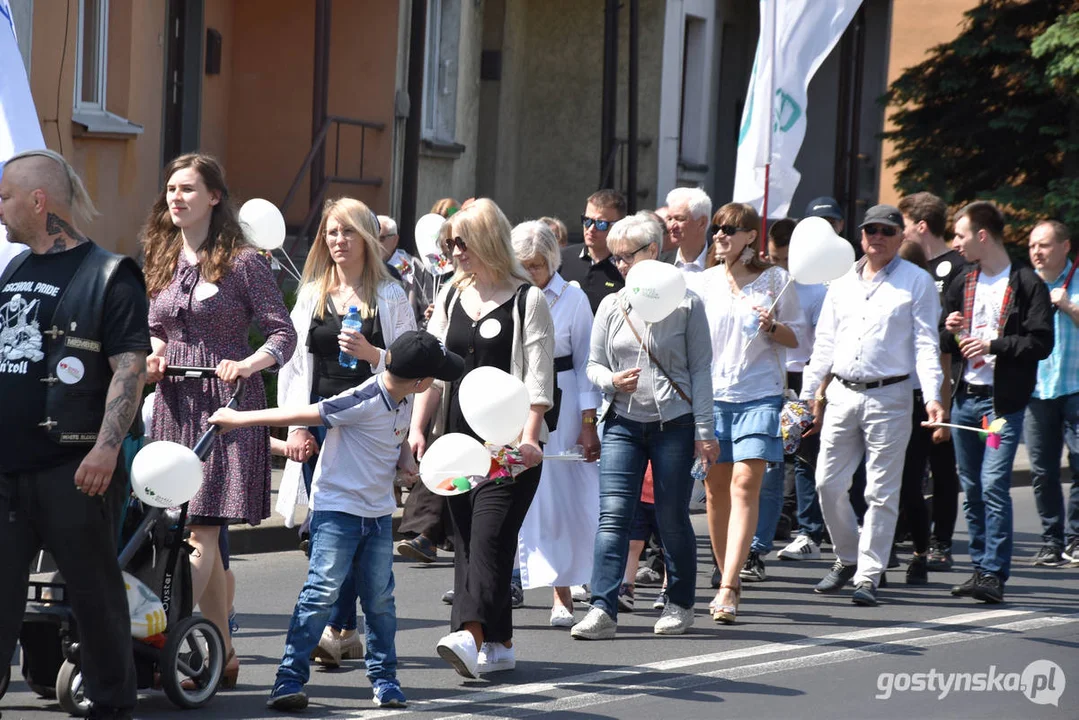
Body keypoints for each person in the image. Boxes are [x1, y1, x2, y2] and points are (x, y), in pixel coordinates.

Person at [213, 331, 463, 710]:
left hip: (377, 516)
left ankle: (385, 681)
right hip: (337, 514)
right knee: (318, 597)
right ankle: (287, 680)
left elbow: (391, 437)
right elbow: (302, 414)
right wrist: (238, 419)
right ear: (420, 382)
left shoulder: (401, 394)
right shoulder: (362, 400)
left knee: (380, 602)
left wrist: (405, 460)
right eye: (435, 376)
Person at [0, 149, 149, 719]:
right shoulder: (13, 270)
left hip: (73, 468)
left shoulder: (110, 274)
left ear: (39, 201)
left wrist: (107, 448)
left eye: (7, 196)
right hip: (8, 467)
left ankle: (112, 703)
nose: (2, 208)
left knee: (93, 594)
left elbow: (130, 367)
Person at [142, 153, 297, 682]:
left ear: (213, 197)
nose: (176, 197)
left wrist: (248, 362)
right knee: (182, 525)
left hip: (224, 410)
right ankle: (224, 655)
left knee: (200, 529)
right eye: (170, 189)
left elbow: (283, 334)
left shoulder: (244, 262)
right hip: (172, 406)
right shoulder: (163, 256)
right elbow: (156, 326)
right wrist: (153, 352)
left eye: (187, 188)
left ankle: (164, 635)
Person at [409, 198, 555, 679]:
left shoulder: (528, 299)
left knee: (490, 536)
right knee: (471, 542)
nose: (453, 251)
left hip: (510, 444)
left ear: (487, 241)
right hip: (456, 439)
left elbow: (538, 379)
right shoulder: (452, 294)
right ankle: (501, 641)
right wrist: (417, 428)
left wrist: (530, 440)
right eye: (449, 243)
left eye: (460, 242)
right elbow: (430, 368)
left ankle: (468, 635)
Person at [276, 198, 415, 665]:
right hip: (321, 418)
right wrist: (297, 424)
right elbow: (295, 366)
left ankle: (340, 626)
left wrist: (374, 354)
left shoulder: (391, 295)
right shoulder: (313, 291)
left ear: (367, 239)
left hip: (370, 425)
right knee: (324, 524)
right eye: (331, 233)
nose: (338, 241)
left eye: (348, 232)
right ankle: (340, 624)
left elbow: (411, 365)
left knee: (355, 526)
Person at [571, 212, 717, 640]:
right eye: (614, 258)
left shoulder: (688, 304)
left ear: (652, 252)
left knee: (671, 517)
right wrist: (610, 380)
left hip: (674, 424)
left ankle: (681, 603)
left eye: (625, 257)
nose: (618, 265)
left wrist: (705, 432)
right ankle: (602, 608)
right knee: (613, 516)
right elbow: (593, 365)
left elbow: (702, 370)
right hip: (622, 423)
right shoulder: (612, 305)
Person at [802, 204, 945, 607]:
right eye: (870, 231)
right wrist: (807, 397)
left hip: (891, 395)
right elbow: (824, 344)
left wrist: (933, 396)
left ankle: (868, 573)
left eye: (886, 231)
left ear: (901, 237)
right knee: (827, 483)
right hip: (843, 392)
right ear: (860, 236)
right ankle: (848, 556)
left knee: (882, 491)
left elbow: (925, 346)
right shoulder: (842, 282)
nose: (877, 237)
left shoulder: (917, 282)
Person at [697, 203, 806, 620]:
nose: (720, 235)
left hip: (760, 395)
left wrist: (772, 328)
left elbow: (798, 339)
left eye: (730, 229)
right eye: (717, 228)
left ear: (750, 237)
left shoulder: (776, 280)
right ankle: (729, 573)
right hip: (713, 396)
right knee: (714, 490)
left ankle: (727, 585)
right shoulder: (705, 283)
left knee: (745, 484)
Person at [943, 202, 1053, 603]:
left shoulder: (1026, 283)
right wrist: (950, 329)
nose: (956, 243)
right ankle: (978, 567)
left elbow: (1041, 343)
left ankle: (993, 572)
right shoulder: (963, 280)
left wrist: (993, 345)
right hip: (964, 400)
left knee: (991, 485)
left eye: (961, 235)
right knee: (970, 488)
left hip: (998, 408)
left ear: (982, 235)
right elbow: (943, 340)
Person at [511, 221, 601, 628]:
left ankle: (562, 591)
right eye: (523, 265)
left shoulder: (573, 298)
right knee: (511, 490)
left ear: (551, 261)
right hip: (514, 398)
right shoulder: (510, 295)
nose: (531, 273)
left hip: (561, 401)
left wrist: (588, 421)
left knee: (559, 494)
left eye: (536, 266)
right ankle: (502, 580)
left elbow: (585, 363)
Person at [899, 191, 966, 570]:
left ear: (920, 226)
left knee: (941, 464)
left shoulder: (956, 267)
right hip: (910, 383)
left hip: (947, 380)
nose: (898, 233)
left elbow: (953, 335)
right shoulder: (902, 266)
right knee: (908, 470)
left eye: (903, 226)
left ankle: (941, 542)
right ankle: (907, 534)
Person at [768, 219, 830, 563]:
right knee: (772, 456)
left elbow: (823, 347)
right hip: (770, 376)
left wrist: (817, 396)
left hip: (804, 378)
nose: (780, 267)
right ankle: (774, 519)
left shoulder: (818, 292)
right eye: (774, 258)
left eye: (786, 260)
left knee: (805, 456)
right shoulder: (768, 284)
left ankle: (809, 531)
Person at [1025, 220, 1079, 566]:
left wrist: (1070, 306)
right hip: (1036, 389)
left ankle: (1076, 539)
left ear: (1065, 247)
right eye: (1032, 246)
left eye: (1044, 245)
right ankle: (1051, 539)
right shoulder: (1025, 285)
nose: (1036, 252)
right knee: (1042, 471)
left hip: (1076, 387)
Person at [559, 189, 627, 313]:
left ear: (619, 225)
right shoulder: (562, 259)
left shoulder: (625, 268)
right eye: (587, 220)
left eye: (601, 224)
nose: (590, 229)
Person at [661, 187, 711, 275]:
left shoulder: (722, 265)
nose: (672, 226)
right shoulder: (661, 264)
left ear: (702, 223)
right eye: (669, 219)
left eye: (680, 219)